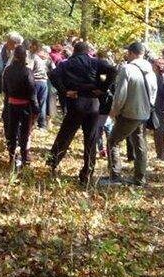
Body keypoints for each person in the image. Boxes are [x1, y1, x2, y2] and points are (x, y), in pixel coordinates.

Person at [46, 40, 115, 185]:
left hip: (75, 101)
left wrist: (64, 91)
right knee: (91, 139)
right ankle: (87, 173)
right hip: (93, 103)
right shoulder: (96, 62)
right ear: (87, 51)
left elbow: (52, 74)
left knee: (65, 135)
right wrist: (102, 88)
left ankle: (52, 163)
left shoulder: (66, 64)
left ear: (75, 51)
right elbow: (113, 70)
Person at [97, 42, 157, 187]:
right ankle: (140, 178)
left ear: (131, 53)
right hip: (144, 112)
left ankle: (115, 176)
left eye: (128, 53)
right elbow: (154, 91)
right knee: (139, 144)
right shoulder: (150, 69)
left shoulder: (127, 69)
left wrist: (114, 111)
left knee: (113, 141)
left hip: (129, 113)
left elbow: (120, 94)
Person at [1, 45, 39, 168]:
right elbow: (32, 92)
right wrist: (36, 108)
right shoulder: (27, 72)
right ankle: (23, 158)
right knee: (24, 133)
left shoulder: (7, 70)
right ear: (24, 57)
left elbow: (4, 89)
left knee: (12, 132)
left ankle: (11, 158)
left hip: (11, 105)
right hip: (25, 107)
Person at [29, 40, 50, 129]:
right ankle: (42, 125)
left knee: (33, 103)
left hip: (36, 81)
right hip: (44, 82)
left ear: (33, 46)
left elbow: (29, 70)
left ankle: (31, 123)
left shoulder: (33, 57)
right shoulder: (43, 58)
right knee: (42, 103)